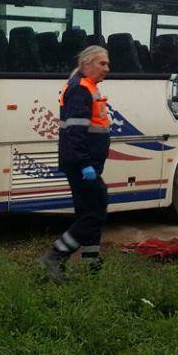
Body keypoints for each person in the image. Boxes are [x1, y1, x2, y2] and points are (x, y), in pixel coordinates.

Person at [39, 46, 112, 282]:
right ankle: (55, 256)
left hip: (86, 164)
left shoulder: (86, 87)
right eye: (102, 64)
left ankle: (92, 265)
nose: (106, 69)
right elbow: (75, 133)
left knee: (88, 213)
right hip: (82, 165)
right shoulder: (80, 90)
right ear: (86, 64)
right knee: (95, 211)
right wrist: (84, 164)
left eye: (107, 64)